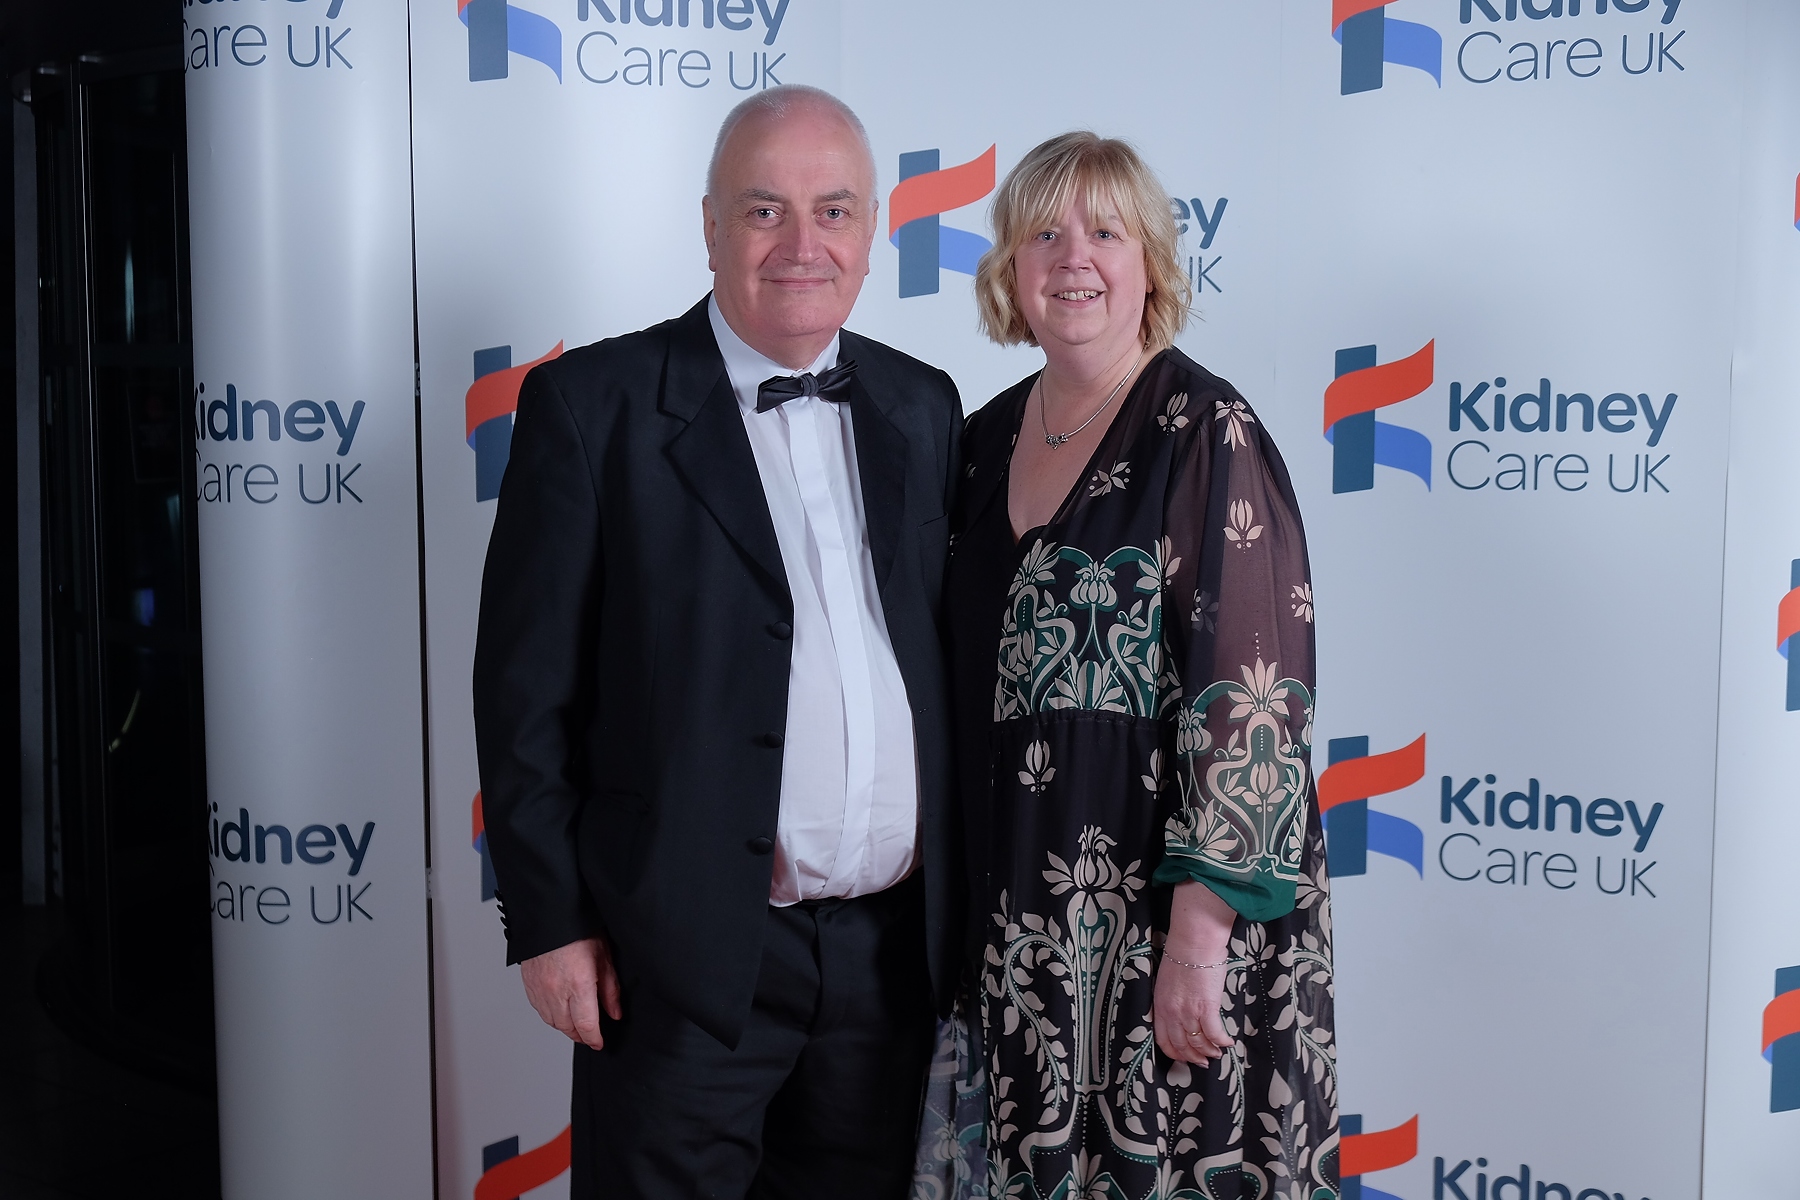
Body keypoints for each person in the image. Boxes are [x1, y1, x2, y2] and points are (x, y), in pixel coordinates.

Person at [472, 85, 964, 1199]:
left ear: (874, 230)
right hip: (676, 957)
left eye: (833, 211)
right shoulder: (590, 407)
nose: (802, 244)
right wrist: (549, 921)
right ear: (708, 226)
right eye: (763, 210)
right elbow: (523, 695)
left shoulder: (923, 405)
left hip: (888, 963)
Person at [943, 132, 1338, 1198]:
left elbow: (1256, 706)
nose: (1074, 256)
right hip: (1014, 927)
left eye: (1106, 232)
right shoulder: (977, 442)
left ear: (1152, 264)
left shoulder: (1206, 431)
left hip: (1164, 928)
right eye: (1044, 233)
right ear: (1010, 270)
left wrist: (1199, 940)